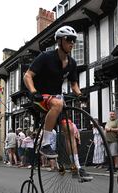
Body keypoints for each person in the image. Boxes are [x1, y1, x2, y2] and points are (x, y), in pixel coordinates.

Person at [24, 25, 91, 180]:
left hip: (55, 99)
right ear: (60, 41)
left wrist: (80, 95)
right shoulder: (46, 57)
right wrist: (34, 92)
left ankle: (76, 168)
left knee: (69, 129)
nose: (72, 43)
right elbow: (27, 76)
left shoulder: (72, 63)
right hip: (39, 96)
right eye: (69, 40)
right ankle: (45, 144)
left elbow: (74, 84)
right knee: (58, 103)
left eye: (74, 40)